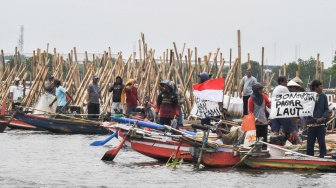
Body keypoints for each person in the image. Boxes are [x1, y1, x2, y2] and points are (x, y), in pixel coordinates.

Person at [271, 76, 302, 144]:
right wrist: (293, 114)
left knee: (276, 129)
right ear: (282, 82)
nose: (286, 83)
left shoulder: (275, 89)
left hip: (275, 111)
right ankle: (298, 141)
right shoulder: (284, 88)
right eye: (285, 81)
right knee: (291, 127)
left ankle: (274, 142)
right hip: (282, 111)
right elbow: (290, 99)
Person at [306, 80, 328, 158]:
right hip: (311, 124)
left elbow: (326, 109)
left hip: (321, 124)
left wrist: (322, 118)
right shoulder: (308, 96)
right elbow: (306, 109)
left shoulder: (324, 96)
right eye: (320, 86)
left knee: (322, 143)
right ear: (315, 88)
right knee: (310, 143)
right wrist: (313, 118)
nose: (322, 88)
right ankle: (309, 158)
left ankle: (323, 157)